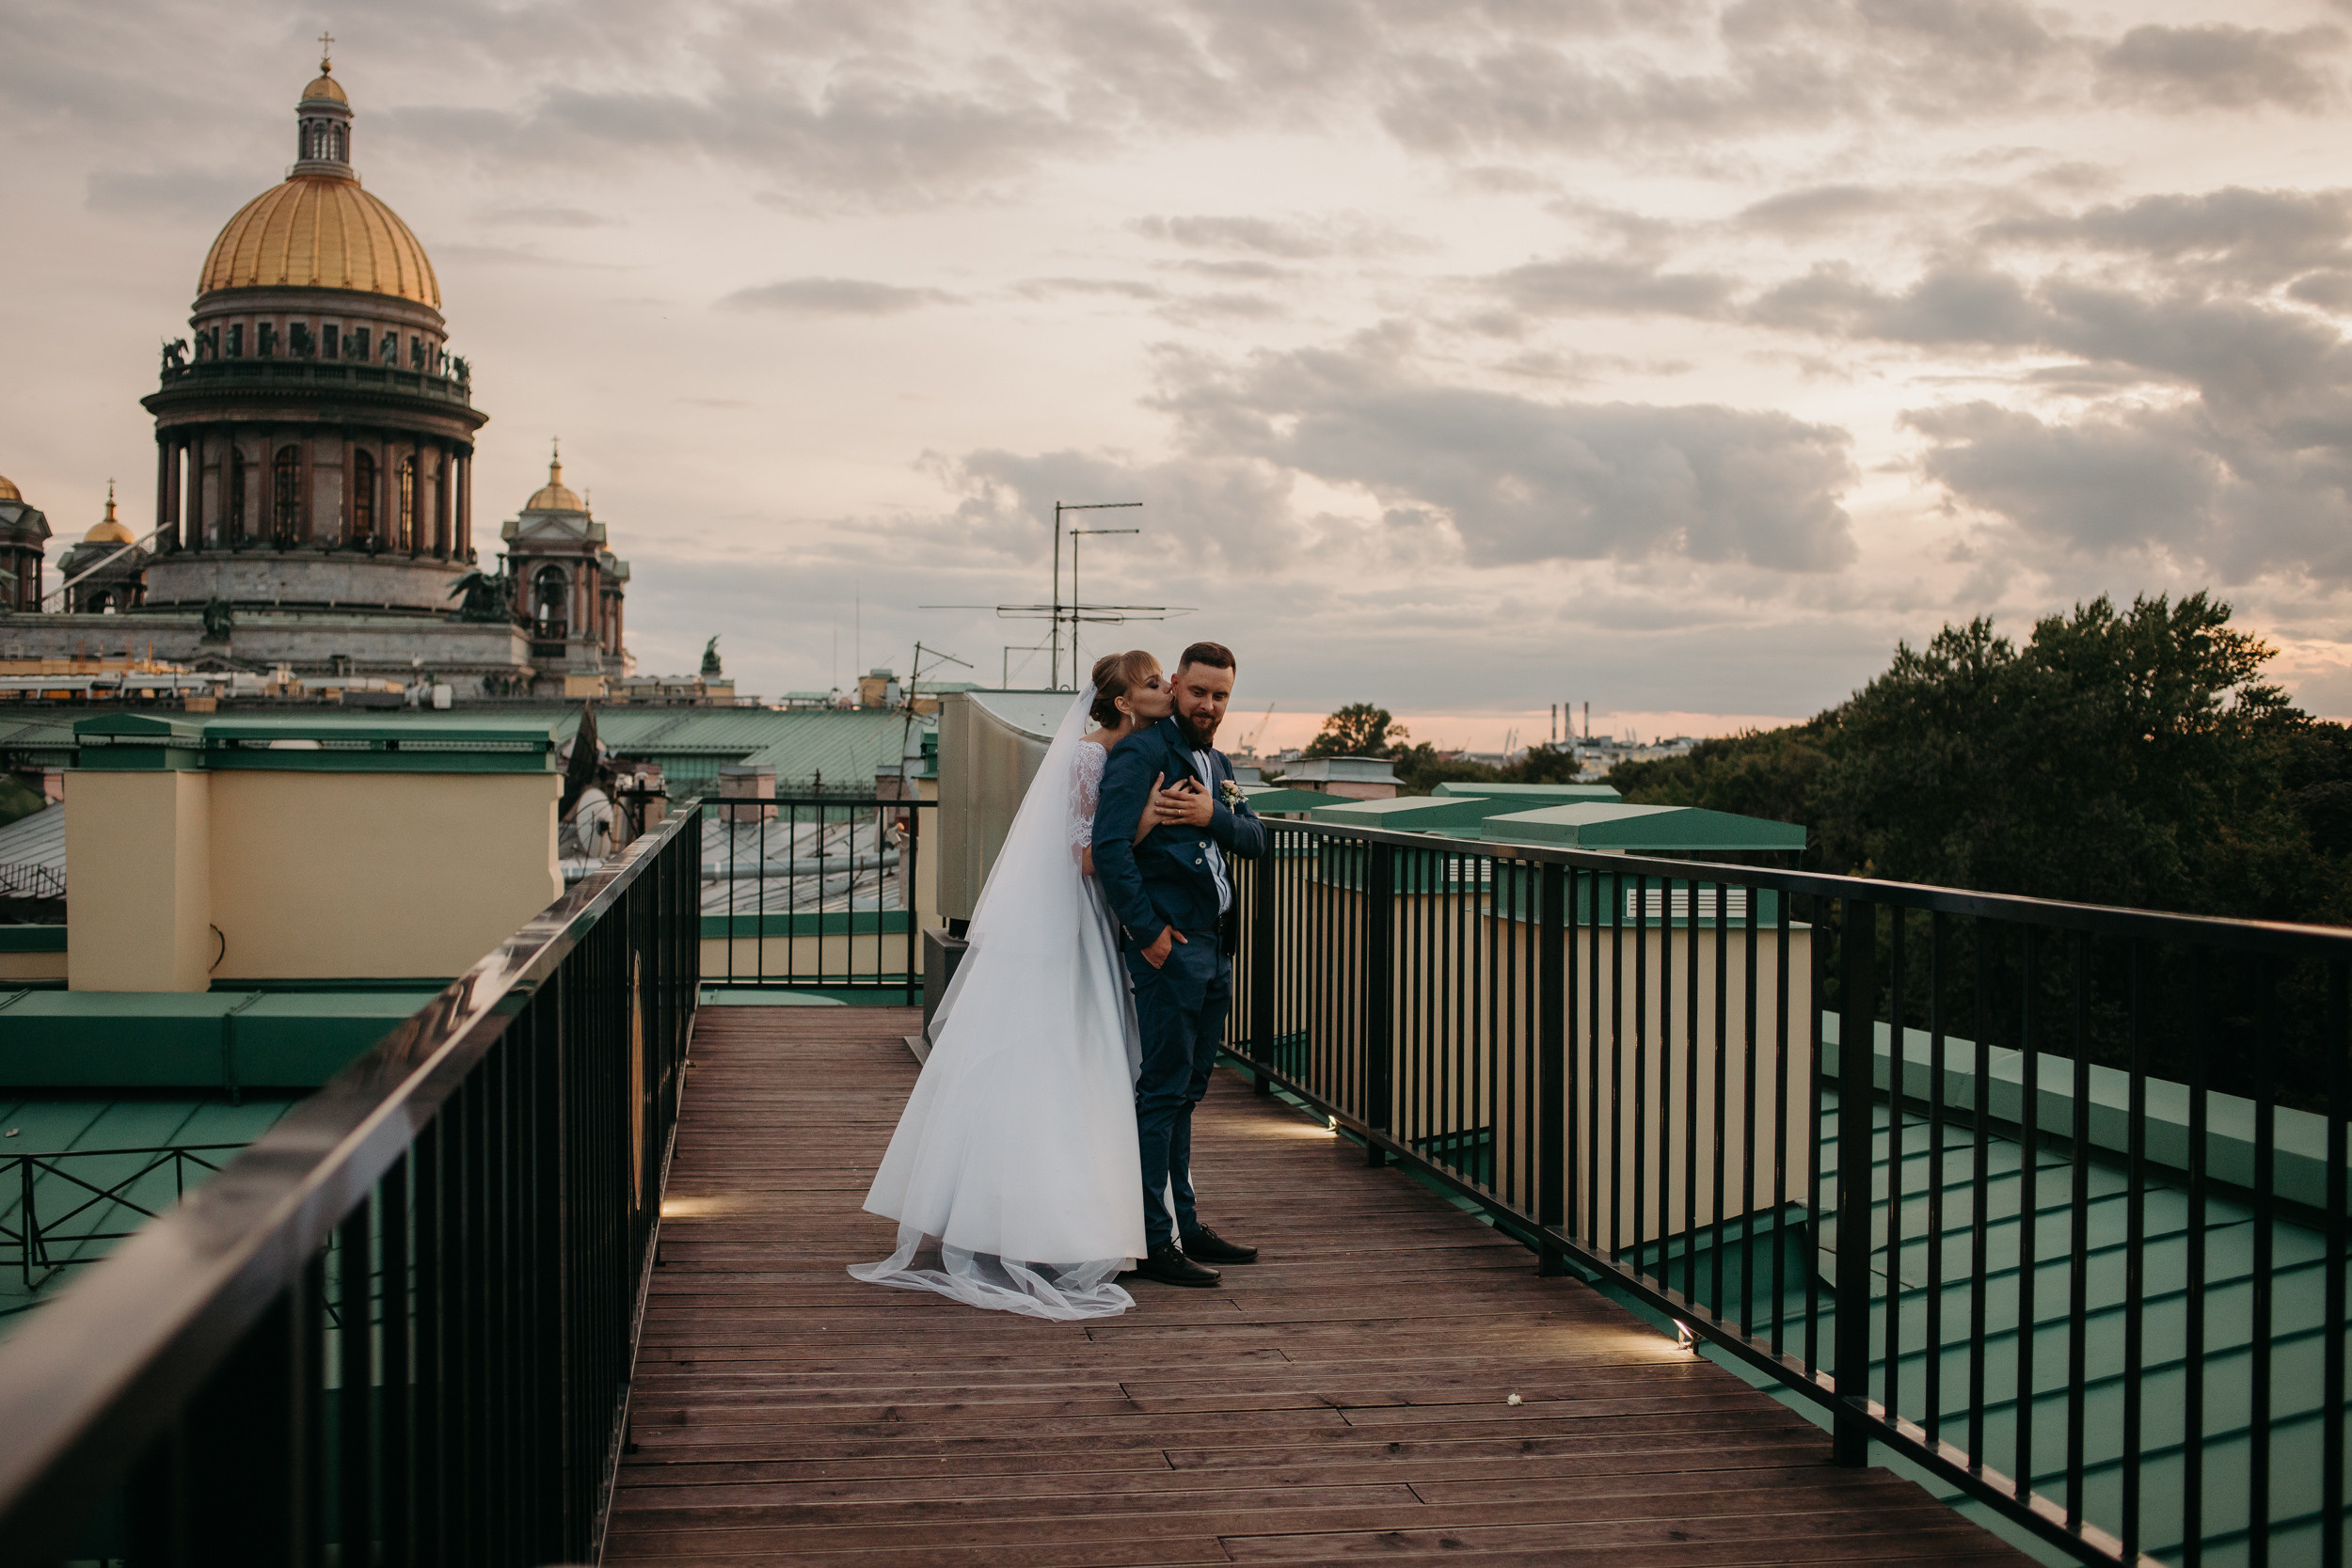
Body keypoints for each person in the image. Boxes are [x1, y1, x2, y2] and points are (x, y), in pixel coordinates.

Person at [850, 652, 1176, 1319]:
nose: (1163, 689)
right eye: (1152, 683)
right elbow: (1086, 854)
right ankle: (1049, 1222)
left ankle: (1087, 1215)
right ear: (1121, 703)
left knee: (1088, 1057)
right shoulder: (1090, 758)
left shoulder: (1121, 751)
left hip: (1087, 919)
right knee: (1065, 1057)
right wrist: (1153, 817)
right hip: (1071, 921)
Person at [1091, 641, 1267, 1288]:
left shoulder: (1217, 761)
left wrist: (1210, 813)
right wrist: (1150, 936)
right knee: (1162, 1092)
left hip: (1216, 947)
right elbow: (1108, 848)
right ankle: (1152, 1238)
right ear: (1176, 686)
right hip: (1172, 948)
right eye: (1198, 692)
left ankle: (1186, 1221)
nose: (1209, 705)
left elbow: (1255, 838)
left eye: (1221, 695)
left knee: (1190, 1092)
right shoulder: (1142, 752)